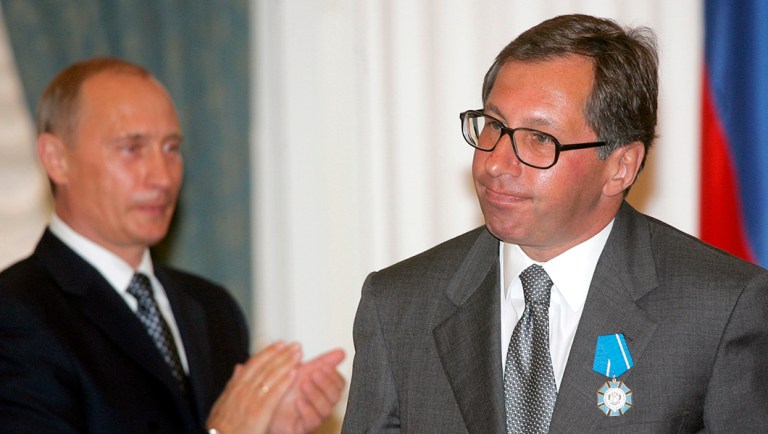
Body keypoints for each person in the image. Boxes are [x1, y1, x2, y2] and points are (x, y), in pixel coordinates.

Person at [342, 14, 768, 433]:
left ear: (620, 166)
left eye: (540, 138)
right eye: (494, 125)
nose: (495, 163)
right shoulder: (398, 305)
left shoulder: (721, 309)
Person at [0, 57, 345, 433]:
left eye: (171, 148)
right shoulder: (16, 313)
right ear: (56, 159)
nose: (162, 177)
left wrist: (269, 428)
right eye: (132, 149)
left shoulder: (213, 309)